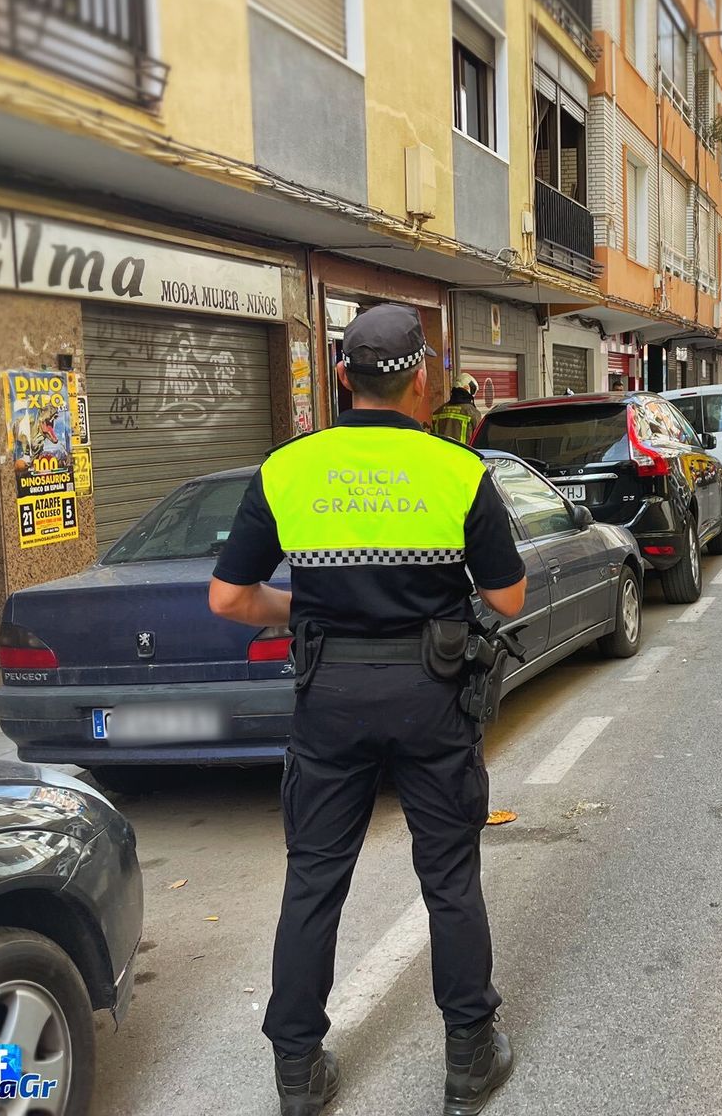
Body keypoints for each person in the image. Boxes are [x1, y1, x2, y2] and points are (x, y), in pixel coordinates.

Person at [209, 304, 528, 1116]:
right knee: (449, 876)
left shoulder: (288, 468)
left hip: (329, 699)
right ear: (422, 380)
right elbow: (508, 594)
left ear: (343, 377)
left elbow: (229, 598)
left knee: (314, 877)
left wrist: (309, 613)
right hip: (432, 695)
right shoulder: (458, 471)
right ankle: (468, 1059)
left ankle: (296, 1073)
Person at [432, 371, 482, 443]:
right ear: (468, 388)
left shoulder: (438, 412)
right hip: (463, 453)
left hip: (441, 453)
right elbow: (479, 440)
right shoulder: (472, 413)